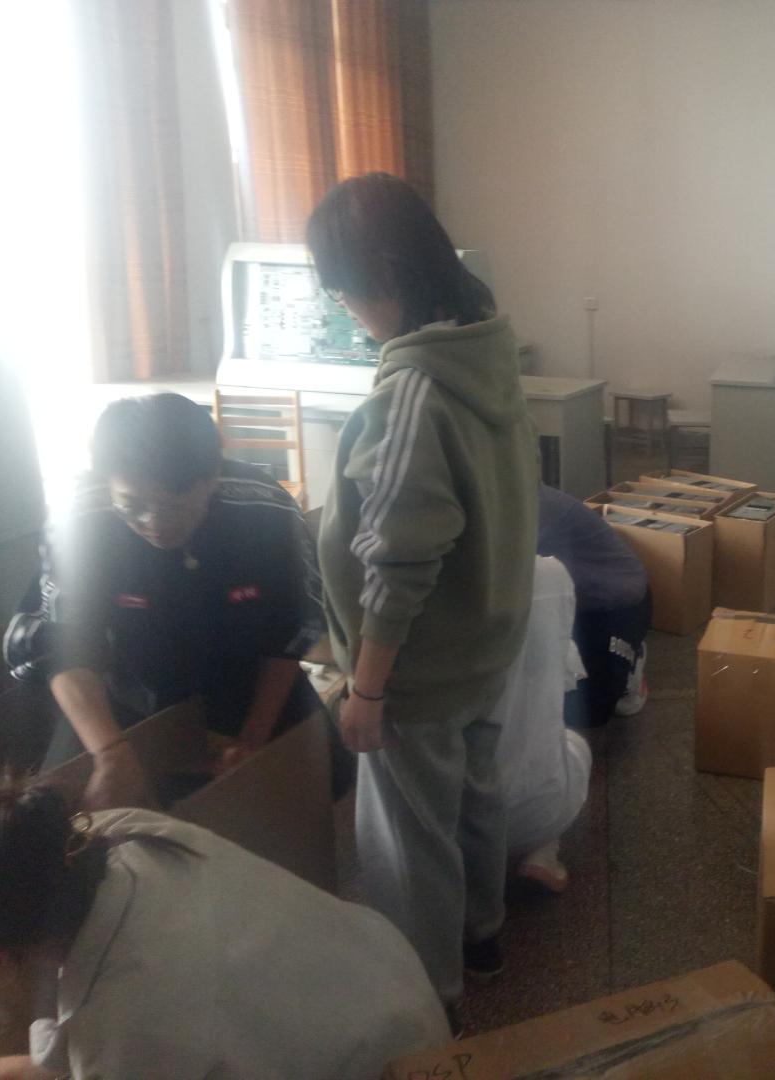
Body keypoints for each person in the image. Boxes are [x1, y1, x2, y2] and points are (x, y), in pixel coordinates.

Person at [308, 173, 539, 1021]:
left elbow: (400, 560)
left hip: (420, 663)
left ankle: (428, 997)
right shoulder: (485, 351)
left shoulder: (411, 392)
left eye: (342, 287)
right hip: (484, 639)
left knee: (412, 837)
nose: (342, 306)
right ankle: (483, 936)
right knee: (476, 795)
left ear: (384, 275)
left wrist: (368, 689)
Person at [0, 777, 447, 1079]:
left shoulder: (127, 1023)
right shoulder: (108, 833)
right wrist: (30, 1066)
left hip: (381, 1064)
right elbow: (99, 1016)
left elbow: (121, 1032)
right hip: (384, 987)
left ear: (0, 956)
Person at [3, 394, 333, 809]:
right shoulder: (80, 521)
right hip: (131, 688)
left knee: (324, 780)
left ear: (212, 478)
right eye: (133, 506)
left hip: (248, 676)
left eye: (176, 506)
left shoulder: (264, 508)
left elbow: (290, 628)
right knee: (62, 805)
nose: (155, 523)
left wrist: (254, 736)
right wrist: (109, 752)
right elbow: (63, 647)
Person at [492, 556, 591, 893]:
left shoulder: (400, 593)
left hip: (432, 827)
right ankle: (544, 852)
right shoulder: (551, 575)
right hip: (535, 811)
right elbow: (566, 676)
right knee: (575, 744)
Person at [535, 484, 651, 724]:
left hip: (616, 607)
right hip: (574, 603)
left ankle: (631, 659)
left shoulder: (531, 506)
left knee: (590, 712)